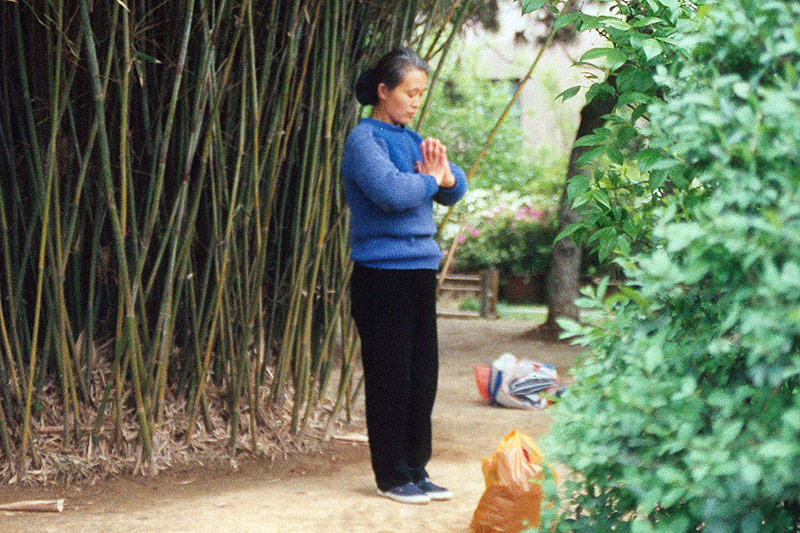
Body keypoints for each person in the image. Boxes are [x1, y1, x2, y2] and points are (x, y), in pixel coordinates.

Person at [341, 48, 468, 505]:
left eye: (421, 94)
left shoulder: (412, 138)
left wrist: (441, 178)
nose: (416, 102)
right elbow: (394, 193)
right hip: (381, 274)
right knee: (390, 375)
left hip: (419, 270)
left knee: (422, 376)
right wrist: (432, 181)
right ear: (383, 91)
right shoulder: (363, 141)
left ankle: (417, 468)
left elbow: (456, 182)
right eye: (409, 93)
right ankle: (392, 475)